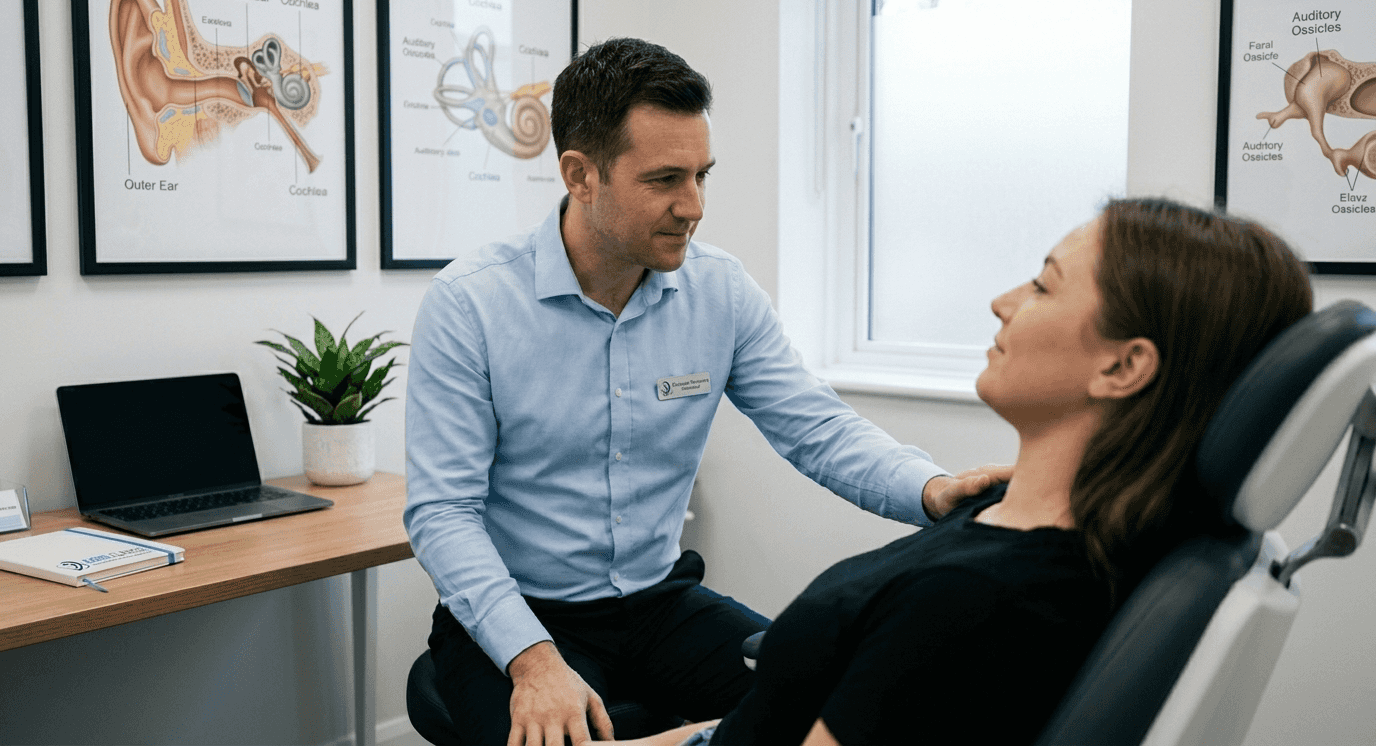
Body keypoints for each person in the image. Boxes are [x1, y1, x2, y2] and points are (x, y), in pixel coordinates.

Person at [404, 37, 1005, 746]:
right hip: (527, 616)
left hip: (661, 604)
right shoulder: (471, 304)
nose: (693, 206)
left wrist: (932, 489)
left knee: (836, 708)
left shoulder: (719, 291)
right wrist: (534, 663)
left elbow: (816, 427)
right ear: (580, 175)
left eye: (701, 176)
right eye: (664, 179)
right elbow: (443, 512)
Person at [601, 198, 1314, 746]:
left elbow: (814, 426)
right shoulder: (1047, 519)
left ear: (1124, 367)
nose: (1003, 301)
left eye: (1042, 285)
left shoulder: (973, 603)